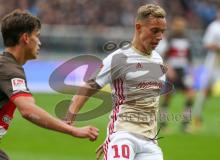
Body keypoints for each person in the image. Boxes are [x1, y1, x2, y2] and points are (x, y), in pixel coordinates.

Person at [66, 4, 168, 160]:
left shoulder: (158, 59)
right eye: (155, 31)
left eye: (162, 31)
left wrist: (110, 139)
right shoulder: (119, 58)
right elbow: (91, 84)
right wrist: (71, 114)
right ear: (138, 27)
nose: (160, 37)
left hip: (150, 142)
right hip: (124, 135)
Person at [0, 9, 99, 158]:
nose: (39, 42)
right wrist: (73, 130)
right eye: (37, 36)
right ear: (26, 38)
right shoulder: (9, 70)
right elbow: (28, 110)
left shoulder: (6, 65)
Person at [158, 16, 195, 132]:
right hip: (172, 70)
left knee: (190, 95)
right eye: (178, 25)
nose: (180, 27)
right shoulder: (169, 39)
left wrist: (191, 70)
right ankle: (163, 125)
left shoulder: (187, 39)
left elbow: (189, 56)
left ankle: (185, 124)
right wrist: (168, 69)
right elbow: (163, 56)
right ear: (174, 26)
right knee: (168, 97)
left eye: (182, 25)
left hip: (183, 71)